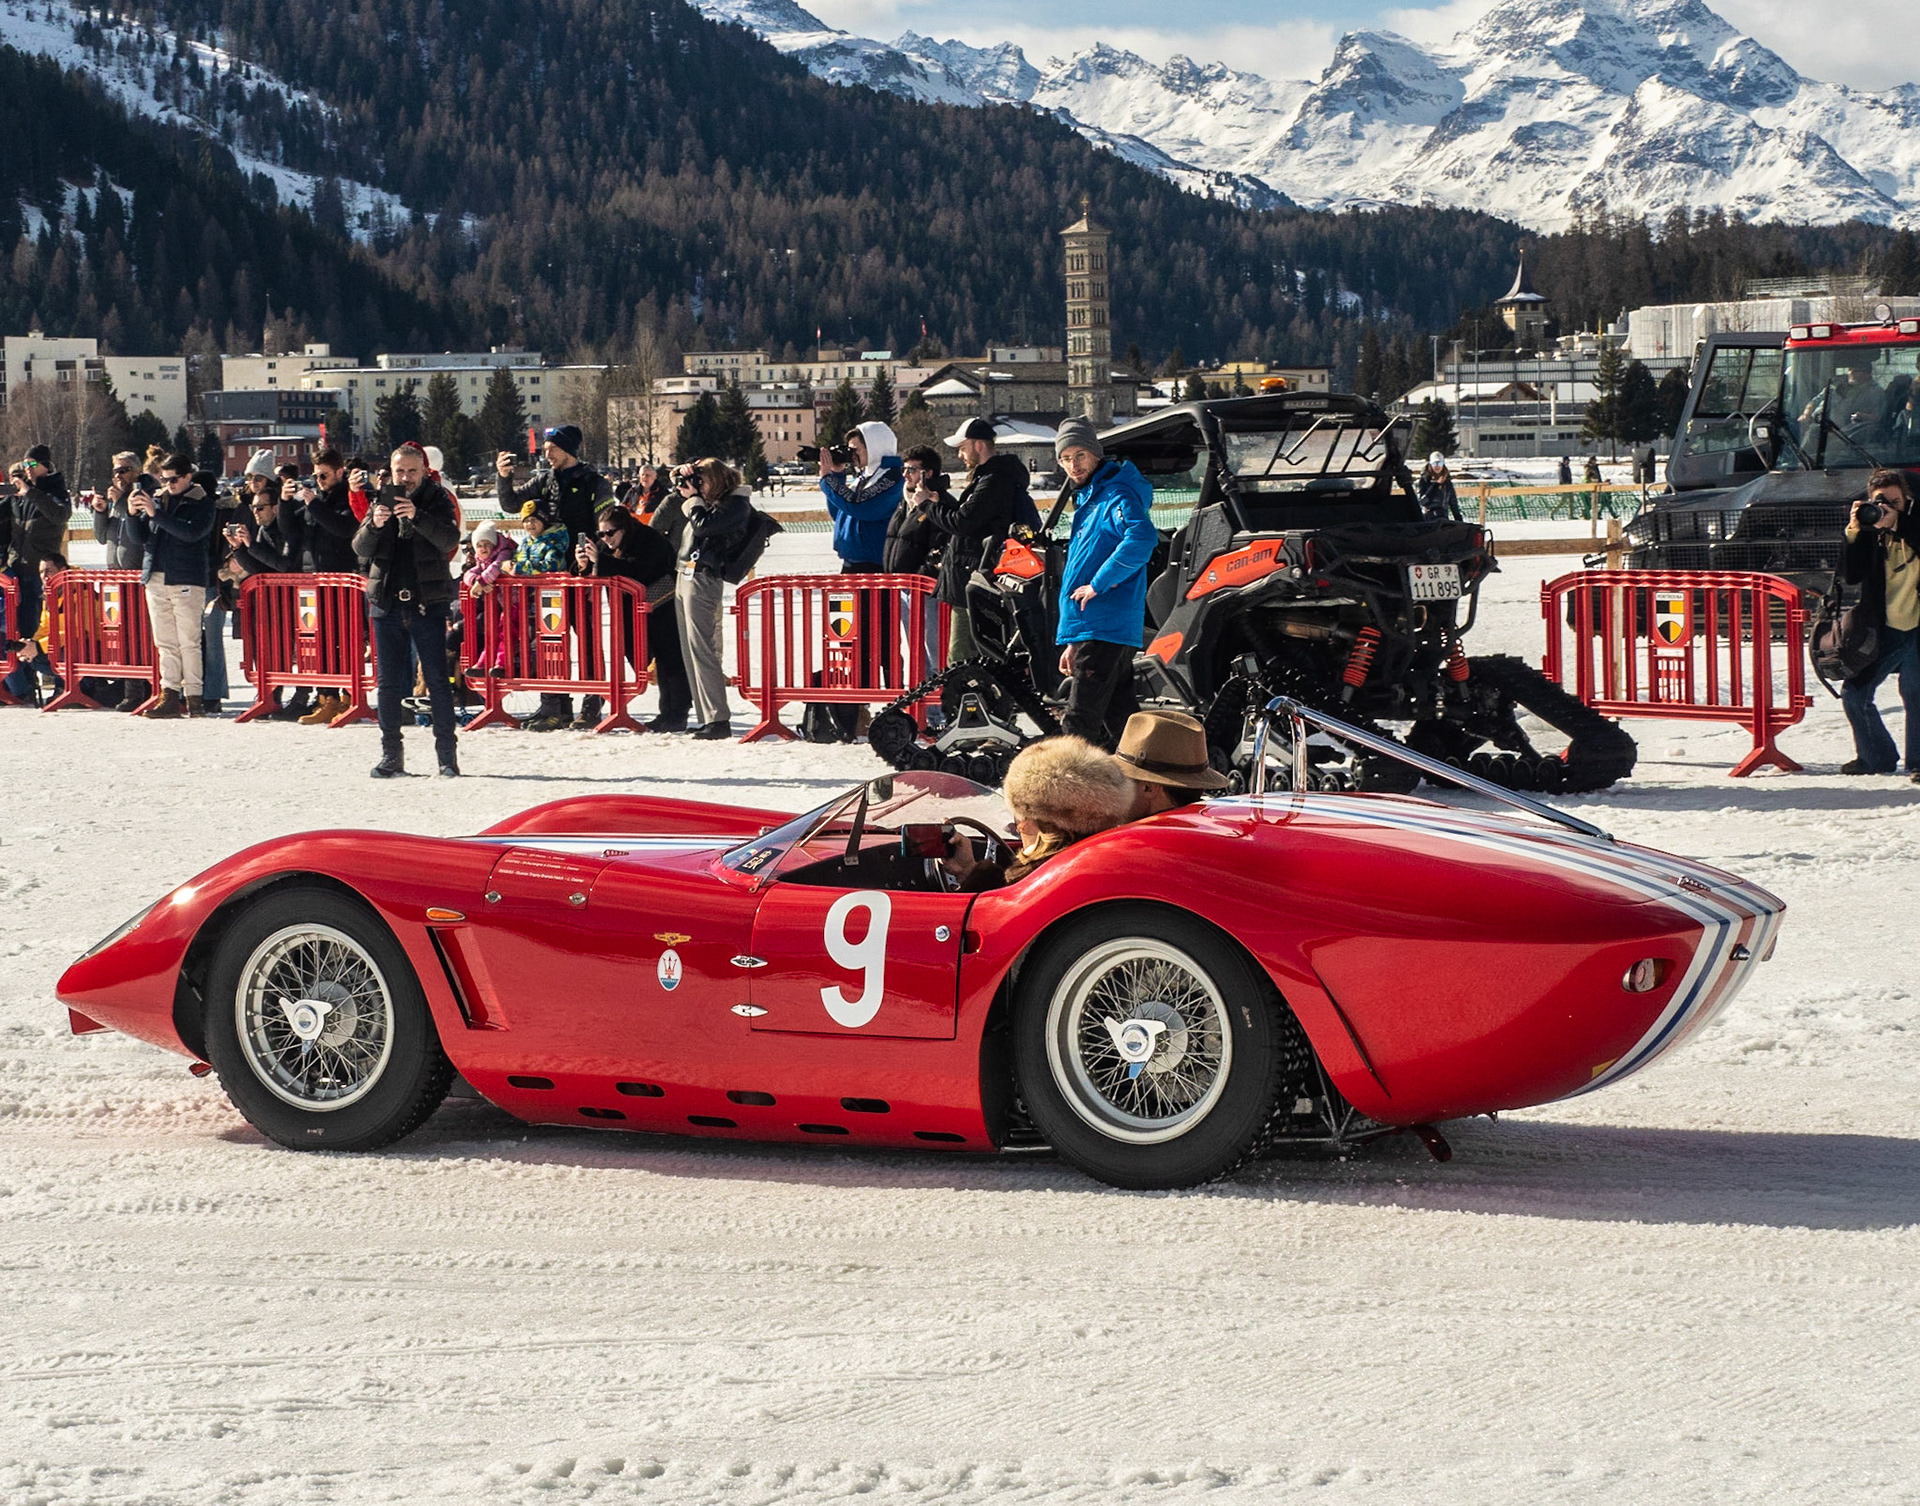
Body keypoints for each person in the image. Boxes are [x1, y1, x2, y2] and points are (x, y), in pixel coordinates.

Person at [495, 423, 614, 729]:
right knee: (552, 637)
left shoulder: (593, 481)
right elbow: (511, 505)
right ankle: (554, 704)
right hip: (550, 573)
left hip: (582, 571)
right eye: (545, 449)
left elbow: (606, 523)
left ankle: (592, 701)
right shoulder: (544, 480)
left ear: (568, 450)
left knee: (587, 638)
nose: (546, 454)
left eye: (552, 449)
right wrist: (503, 477)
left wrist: (591, 558)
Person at [354, 442, 461, 778]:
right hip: (386, 604)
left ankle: (447, 757)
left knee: (437, 682)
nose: (405, 477)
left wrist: (418, 518)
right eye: (400, 471)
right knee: (387, 685)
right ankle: (391, 755)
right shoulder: (381, 499)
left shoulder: (437, 499)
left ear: (425, 471)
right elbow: (359, 548)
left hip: (426, 604)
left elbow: (449, 540)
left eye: (412, 471)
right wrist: (375, 524)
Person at [1052, 415, 1157, 750]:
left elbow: (1141, 537)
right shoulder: (1091, 499)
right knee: (1121, 720)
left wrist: (1099, 584)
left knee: (1078, 720)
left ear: (1096, 454)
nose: (1073, 465)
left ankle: (1065, 795)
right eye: (1065, 459)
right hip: (1095, 628)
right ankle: (1148, 783)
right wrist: (1072, 641)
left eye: (1079, 455)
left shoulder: (1115, 495)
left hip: (1104, 626)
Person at [943, 735, 1134, 890]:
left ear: (1036, 822)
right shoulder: (1104, 863)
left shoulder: (1037, 882)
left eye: (1019, 817)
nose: (1018, 827)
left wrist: (973, 878)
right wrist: (967, 870)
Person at [925, 418, 1034, 662]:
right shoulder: (990, 478)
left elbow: (964, 522)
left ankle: (968, 698)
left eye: (963, 448)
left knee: (962, 659)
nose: (960, 455)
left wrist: (928, 507)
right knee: (978, 657)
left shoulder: (994, 480)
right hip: (975, 578)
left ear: (978, 445)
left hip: (976, 581)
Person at [576, 503, 689, 731]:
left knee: (670, 659)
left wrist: (601, 561)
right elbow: (596, 564)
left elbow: (639, 569)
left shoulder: (649, 539)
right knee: (643, 658)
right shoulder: (609, 543)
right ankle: (667, 712)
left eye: (609, 533)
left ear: (623, 529)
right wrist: (583, 564)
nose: (605, 538)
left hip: (663, 602)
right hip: (632, 608)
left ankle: (676, 713)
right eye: (601, 534)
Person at [1839, 468, 1920, 779]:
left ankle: (1918, 763)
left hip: (1917, 626)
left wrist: (1898, 521)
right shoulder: (1870, 531)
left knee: (1915, 693)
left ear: (1907, 500)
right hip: (1884, 627)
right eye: (1880, 501)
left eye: (1895, 501)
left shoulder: (1914, 523)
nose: (1887, 507)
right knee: (1854, 693)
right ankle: (1876, 758)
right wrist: (1854, 532)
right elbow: (1851, 576)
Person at [124, 452, 214, 719]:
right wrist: (132, 513)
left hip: (187, 577)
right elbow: (138, 536)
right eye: (164, 479)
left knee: (189, 641)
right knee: (165, 642)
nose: (168, 484)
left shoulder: (203, 503)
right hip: (157, 577)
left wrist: (156, 513)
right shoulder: (160, 499)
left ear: (188, 477)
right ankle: (170, 695)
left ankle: (195, 698)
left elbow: (190, 533)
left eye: (173, 479)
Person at [671, 457, 753, 740]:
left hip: (704, 578)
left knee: (703, 649)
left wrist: (695, 498)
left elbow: (705, 527)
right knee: (689, 651)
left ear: (716, 481)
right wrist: (685, 477)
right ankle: (706, 716)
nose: (697, 487)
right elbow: (679, 491)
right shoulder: (709, 502)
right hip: (686, 575)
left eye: (702, 481)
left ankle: (718, 719)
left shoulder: (735, 505)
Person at [89, 451, 151, 711]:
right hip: (116, 578)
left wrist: (124, 499)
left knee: (143, 637)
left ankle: (145, 689)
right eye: (115, 471)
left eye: (124, 470)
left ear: (137, 471)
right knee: (122, 636)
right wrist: (101, 511)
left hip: (138, 577)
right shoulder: (115, 499)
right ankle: (130, 690)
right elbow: (102, 537)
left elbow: (140, 531)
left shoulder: (142, 494)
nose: (118, 475)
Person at [1111, 709, 1232, 815]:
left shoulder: (1128, 838)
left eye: (1120, 781)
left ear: (1148, 788)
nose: (1113, 790)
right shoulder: (1204, 827)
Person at [461, 520, 516, 677]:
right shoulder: (482, 560)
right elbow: (469, 574)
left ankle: (501, 663)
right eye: (479, 545)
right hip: (503, 603)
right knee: (493, 631)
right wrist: (475, 582)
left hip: (517, 601)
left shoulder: (504, 552)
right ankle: (483, 663)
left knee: (506, 631)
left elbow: (496, 568)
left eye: (486, 544)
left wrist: (482, 582)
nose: (483, 548)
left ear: (494, 544)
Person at [1414, 452, 1460, 522]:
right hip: (1428, 518)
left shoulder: (1447, 482)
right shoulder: (1424, 480)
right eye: (1434, 464)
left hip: (1443, 518)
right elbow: (1422, 501)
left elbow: (1453, 503)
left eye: (1440, 463)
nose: (1437, 466)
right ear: (1430, 465)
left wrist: (1459, 519)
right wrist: (1435, 486)